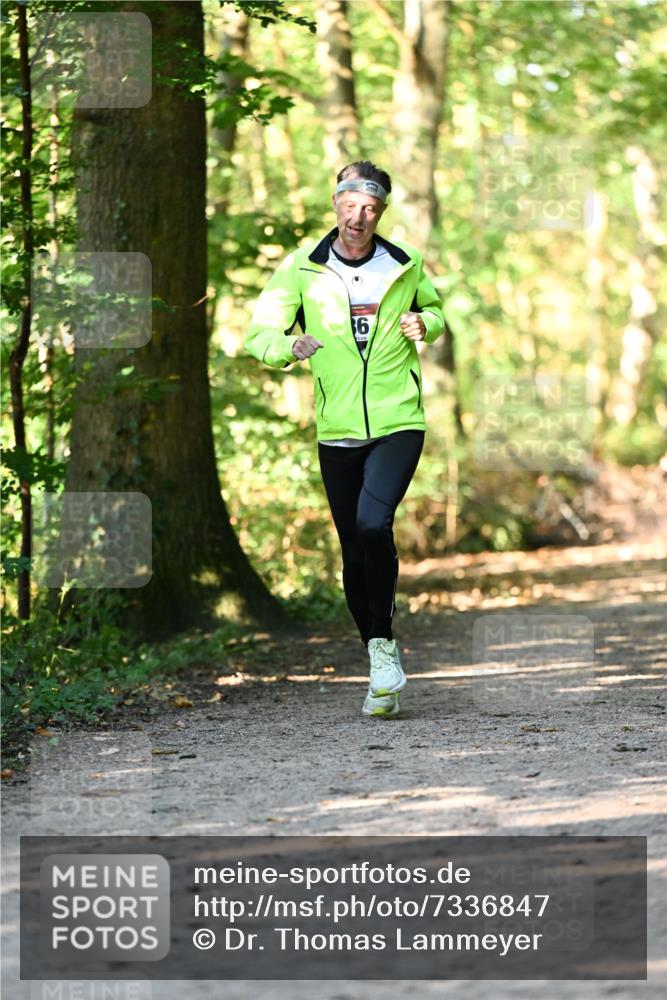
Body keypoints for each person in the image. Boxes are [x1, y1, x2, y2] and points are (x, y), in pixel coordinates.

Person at [244, 161, 445, 717]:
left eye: (371, 208)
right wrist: (289, 347)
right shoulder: (302, 269)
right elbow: (259, 332)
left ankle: (383, 644)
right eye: (351, 205)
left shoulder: (403, 263)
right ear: (335, 204)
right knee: (353, 550)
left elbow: (435, 307)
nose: (360, 217)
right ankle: (379, 660)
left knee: (372, 524)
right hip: (336, 431)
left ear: (381, 211)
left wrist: (425, 324)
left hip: (398, 419)